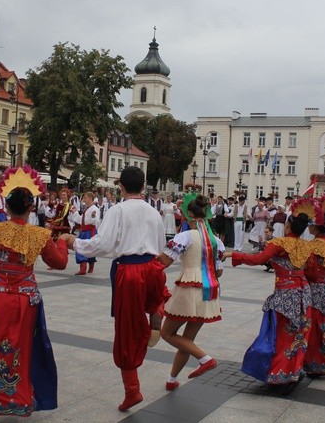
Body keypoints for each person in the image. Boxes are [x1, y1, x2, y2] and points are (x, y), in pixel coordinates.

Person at [0, 167, 68, 422]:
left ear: (6, 206)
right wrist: (63, 240)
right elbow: (61, 263)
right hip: (25, 300)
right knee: (22, 347)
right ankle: (18, 399)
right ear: (31, 208)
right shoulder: (39, 235)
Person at [61, 166, 167, 412]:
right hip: (152, 268)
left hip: (129, 271)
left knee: (126, 330)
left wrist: (74, 242)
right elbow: (161, 245)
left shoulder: (118, 210)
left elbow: (104, 244)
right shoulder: (154, 213)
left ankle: (133, 391)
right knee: (150, 300)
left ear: (121, 186)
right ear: (143, 186)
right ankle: (155, 310)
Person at [224, 211, 313, 393]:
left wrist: (235, 255)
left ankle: (280, 374)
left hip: (286, 294)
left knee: (281, 335)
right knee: (298, 334)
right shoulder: (306, 246)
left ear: (287, 226)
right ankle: (293, 370)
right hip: (304, 294)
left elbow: (259, 259)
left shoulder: (279, 243)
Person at [159, 194, 224, 391]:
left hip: (189, 287)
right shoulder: (216, 241)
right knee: (187, 340)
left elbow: (164, 262)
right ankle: (171, 380)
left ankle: (205, 359)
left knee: (167, 333)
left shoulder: (185, 236)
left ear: (188, 214)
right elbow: (219, 271)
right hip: (208, 289)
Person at [302, 196, 325, 377]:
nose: (308, 226)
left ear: (317, 225)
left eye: (311, 223)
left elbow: (308, 271)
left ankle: (314, 362)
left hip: (314, 289)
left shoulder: (312, 246)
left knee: (314, 325)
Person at [69, 191, 100, 275]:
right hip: (84, 231)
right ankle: (85, 267)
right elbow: (80, 220)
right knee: (82, 247)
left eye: (85, 198)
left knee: (86, 248)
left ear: (90, 198)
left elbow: (95, 221)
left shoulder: (94, 208)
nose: (84, 199)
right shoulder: (87, 209)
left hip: (90, 231)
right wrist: (75, 212)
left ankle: (87, 266)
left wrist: (93, 217)